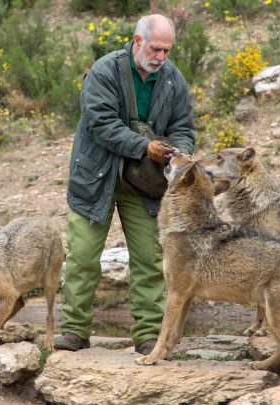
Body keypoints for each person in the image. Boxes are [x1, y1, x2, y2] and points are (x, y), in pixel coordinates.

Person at [55, 14, 195, 355]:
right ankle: (74, 330)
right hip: (96, 177)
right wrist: (145, 146)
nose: (161, 57)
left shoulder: (173, 79)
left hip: (144, 184)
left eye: (167, 50)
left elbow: (183, 126)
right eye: (156, 48)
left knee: (149, 258)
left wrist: (181, 152)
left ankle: (149, 335)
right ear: (136, 41)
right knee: (83, 258)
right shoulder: (104, 71)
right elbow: (101, 124)